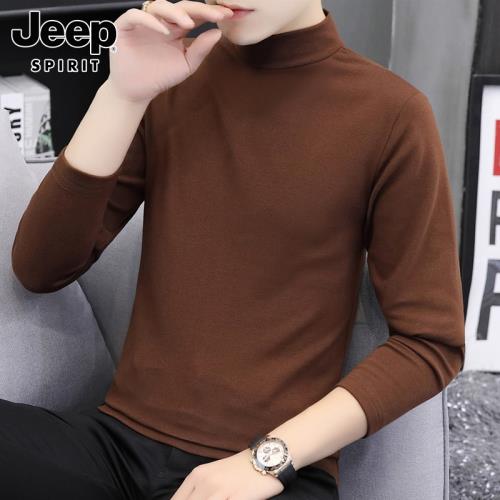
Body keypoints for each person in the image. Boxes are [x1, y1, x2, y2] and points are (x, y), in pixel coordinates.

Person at [5, 0, 466, 498]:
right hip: (115, 448)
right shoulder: (170, 79)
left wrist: (265, 461)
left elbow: (430, 342)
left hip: (269, 476)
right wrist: (121, 94)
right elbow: (41, 268)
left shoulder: (392, 114)